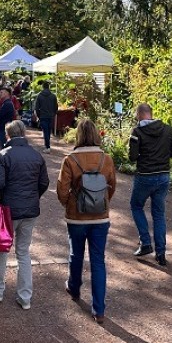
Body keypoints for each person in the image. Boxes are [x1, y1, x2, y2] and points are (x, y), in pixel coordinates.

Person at [0, 120, 49, 309]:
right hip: (30, 209)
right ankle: (25, 296)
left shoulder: (4, 155)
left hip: (9, 209)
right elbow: (44, 182)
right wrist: (33, 196)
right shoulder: (36, 155)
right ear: (24, 133)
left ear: (8, 135)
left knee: (2, 248)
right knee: (23, 252)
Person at [57, 119, 116, 324]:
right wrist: (102, 203)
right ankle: (99, 309)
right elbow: (112, 186)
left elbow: (62, 190)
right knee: (98, 260)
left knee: (76, 254)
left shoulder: (70, 159)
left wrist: (69, 204)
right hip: (100, 217)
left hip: (77, 217)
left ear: (79, 135)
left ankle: (74, 288)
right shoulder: (106, 159)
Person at [129, 103, 172, 266]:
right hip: (163, 175)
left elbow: (132, 157)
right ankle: (161, 253)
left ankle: (145, 243)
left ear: (139, 114)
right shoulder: (168, 130)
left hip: (145, 176)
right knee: (158, 213)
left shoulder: (137, 132)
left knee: (136, 206)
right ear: (151, 113)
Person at [34, 80, 58, 154]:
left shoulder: (39, 96)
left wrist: (39, 116)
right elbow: (56, 107)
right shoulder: (53, 96)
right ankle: (47, 146)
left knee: (45, 131)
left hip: (43, 116)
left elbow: (37, 108)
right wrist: (53, 114)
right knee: (48, 131)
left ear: (42, 87)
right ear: (49, 87)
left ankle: (47, 146)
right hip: (50, 116)